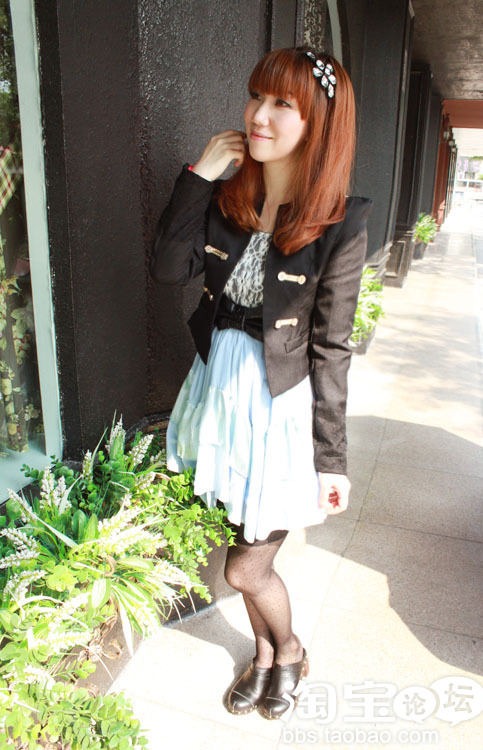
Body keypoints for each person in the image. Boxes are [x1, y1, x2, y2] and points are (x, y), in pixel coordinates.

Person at [150, 46, 373, 721]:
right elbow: (167, 270)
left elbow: (331, 347)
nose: (259, 115)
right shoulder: (228, 197)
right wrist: (198, 176)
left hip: (279, 410)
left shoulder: (340, 222)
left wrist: (332, 459)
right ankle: (265, 657)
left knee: (245, 566)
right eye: (256, 96)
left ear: (318, 124)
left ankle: (292, 649)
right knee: (238, 540)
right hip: (219, 397)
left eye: (282, 104)